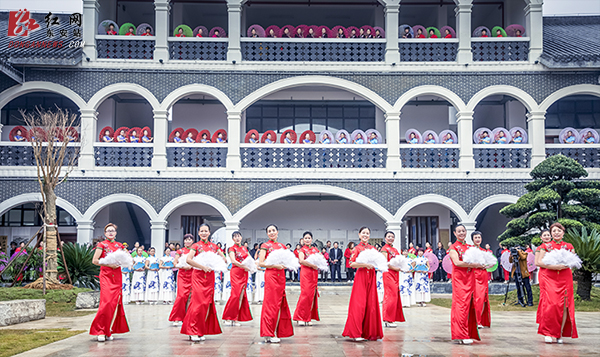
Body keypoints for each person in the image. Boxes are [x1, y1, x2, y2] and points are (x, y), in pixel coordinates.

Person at [535, 223, 578, 343]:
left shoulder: (568, 246)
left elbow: (573, 261)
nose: (556, 233)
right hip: (550, 277)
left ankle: (559, 333)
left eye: (559, 230)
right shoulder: (546, 246)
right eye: (554, 231)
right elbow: (539, 262)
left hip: (565, 277)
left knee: (565, 305)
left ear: (563, 232)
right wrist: (555, 266)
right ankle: (548, 332)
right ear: (551, 233)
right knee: (551, 304)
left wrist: (567, 265)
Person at [181, 224, 224, 342]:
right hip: (198, 276)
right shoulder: (195, 246)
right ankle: (192, 330)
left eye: (206, 231)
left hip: (210, 277)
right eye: (202, 231)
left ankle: (200, 330)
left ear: (209, 233)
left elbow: (224, 259)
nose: (204, 233)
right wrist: (202, 266)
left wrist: (219, 262)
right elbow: (188, 260)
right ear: (199, 233)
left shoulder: (214, 247)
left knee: (206, 304)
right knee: (197, 303)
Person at [90, 223, 130, 342]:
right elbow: (95, 261)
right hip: (106, 276)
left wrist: (125, 261)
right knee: (106, 303)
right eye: (108, 231)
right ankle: (100, 330)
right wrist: (109, 264)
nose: (111, 233)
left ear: (116, 233)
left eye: (113, 231)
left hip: (117, 276)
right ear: (105, 233)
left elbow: (128, 257)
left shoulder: (119, 246)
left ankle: (108, 330)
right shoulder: (102, 245)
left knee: (114, 304)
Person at [342, 226, 383, 341]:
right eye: (363, 233)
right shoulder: (357, 248)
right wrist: (364, 265)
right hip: (361, 276)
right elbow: (351, 263)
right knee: (359, 304)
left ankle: (368, 332)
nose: (365, 235)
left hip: (371, 276)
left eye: (367, 233)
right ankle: (356, 333)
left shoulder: (372, 248)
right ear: (359, 235)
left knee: (371, 304)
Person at [258, 224, 294, 343]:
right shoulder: (265, 246)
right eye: (269, 231)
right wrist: (275, 265)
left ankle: (275, 332)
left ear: (277, 232)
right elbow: (261, 263)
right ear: (267, 234)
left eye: (273, 230)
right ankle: (269, 333)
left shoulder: (282, 246)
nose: (272, 232)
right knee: (271, 304)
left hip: (281, 277)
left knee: (279, 304)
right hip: (271, 276)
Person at [449, 224, 484, 344]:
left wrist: (482, 264)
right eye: (459, 231)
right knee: (461, 306)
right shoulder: (453, 247)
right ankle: (460, 334)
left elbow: (477, 260)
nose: (461, 233)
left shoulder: (470, 247)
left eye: (463, 231)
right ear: (454, 233)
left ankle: (467, 333)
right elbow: (457, 263)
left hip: (470, 278)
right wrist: (472, 265)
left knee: (469, 305)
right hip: (459, 280)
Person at [222, 231, 253, 326]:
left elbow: (250, 259)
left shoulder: (244, 248)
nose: (237, 238)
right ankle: (228, 317)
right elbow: (233, 261)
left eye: (239, 236)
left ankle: (235, 318)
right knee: (235, 295)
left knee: (241, 295)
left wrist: (254, 266)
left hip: (244, 273)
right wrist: (244, 266)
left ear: (241, 237)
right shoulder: (232, 248)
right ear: (233, 239)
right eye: (235, 237)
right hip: (236, 272)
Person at [293, 232, 320, 326]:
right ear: (303, 240)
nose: (307, 239)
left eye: (309, 238)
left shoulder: (315, 250)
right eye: (306, 238)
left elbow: (321, 259)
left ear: (312, 239)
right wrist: (312, 265)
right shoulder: (302, 250)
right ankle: (300, 317)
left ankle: (307, 317)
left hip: (314, 274)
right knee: (305, 294)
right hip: (306, 273)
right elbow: (301, 261)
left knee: (312, 295)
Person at [380, 231, 405, 328]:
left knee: (395, 295)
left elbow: (399, 260)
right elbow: (385, 262)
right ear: (385, 238)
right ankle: (387, 318)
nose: (391, 238)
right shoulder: (384, 249)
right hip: (388, 274)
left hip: (396, 274)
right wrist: (396, 268)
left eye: (392, 237)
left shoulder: (395, 249)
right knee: (390, 295)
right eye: (389, 236)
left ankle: (392, 318)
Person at [169, 234, 194, 325]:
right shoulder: (180, 251)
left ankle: (188, 317)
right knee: (181, 296)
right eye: (186, 239)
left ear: (192, 241)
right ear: (184, 241)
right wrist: (183, 266)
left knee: (191, 296)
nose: (188, 241)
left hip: (192, 275)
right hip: (182, 275)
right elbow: (175, 263)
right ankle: (177, 318)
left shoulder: (194, 251)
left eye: (190, 239)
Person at [471, 232, 491, 329]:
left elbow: (489, 263)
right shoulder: (470, 250)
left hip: (483, 275)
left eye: (479, 237)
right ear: (472, 239)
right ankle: (476, 321)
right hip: (474, 275)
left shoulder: (484, 251)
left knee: (483, 298)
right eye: (476, 237)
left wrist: (488, 265)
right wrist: (478, 265)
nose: (478, 239)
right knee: (477, 298)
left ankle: (480, 320)